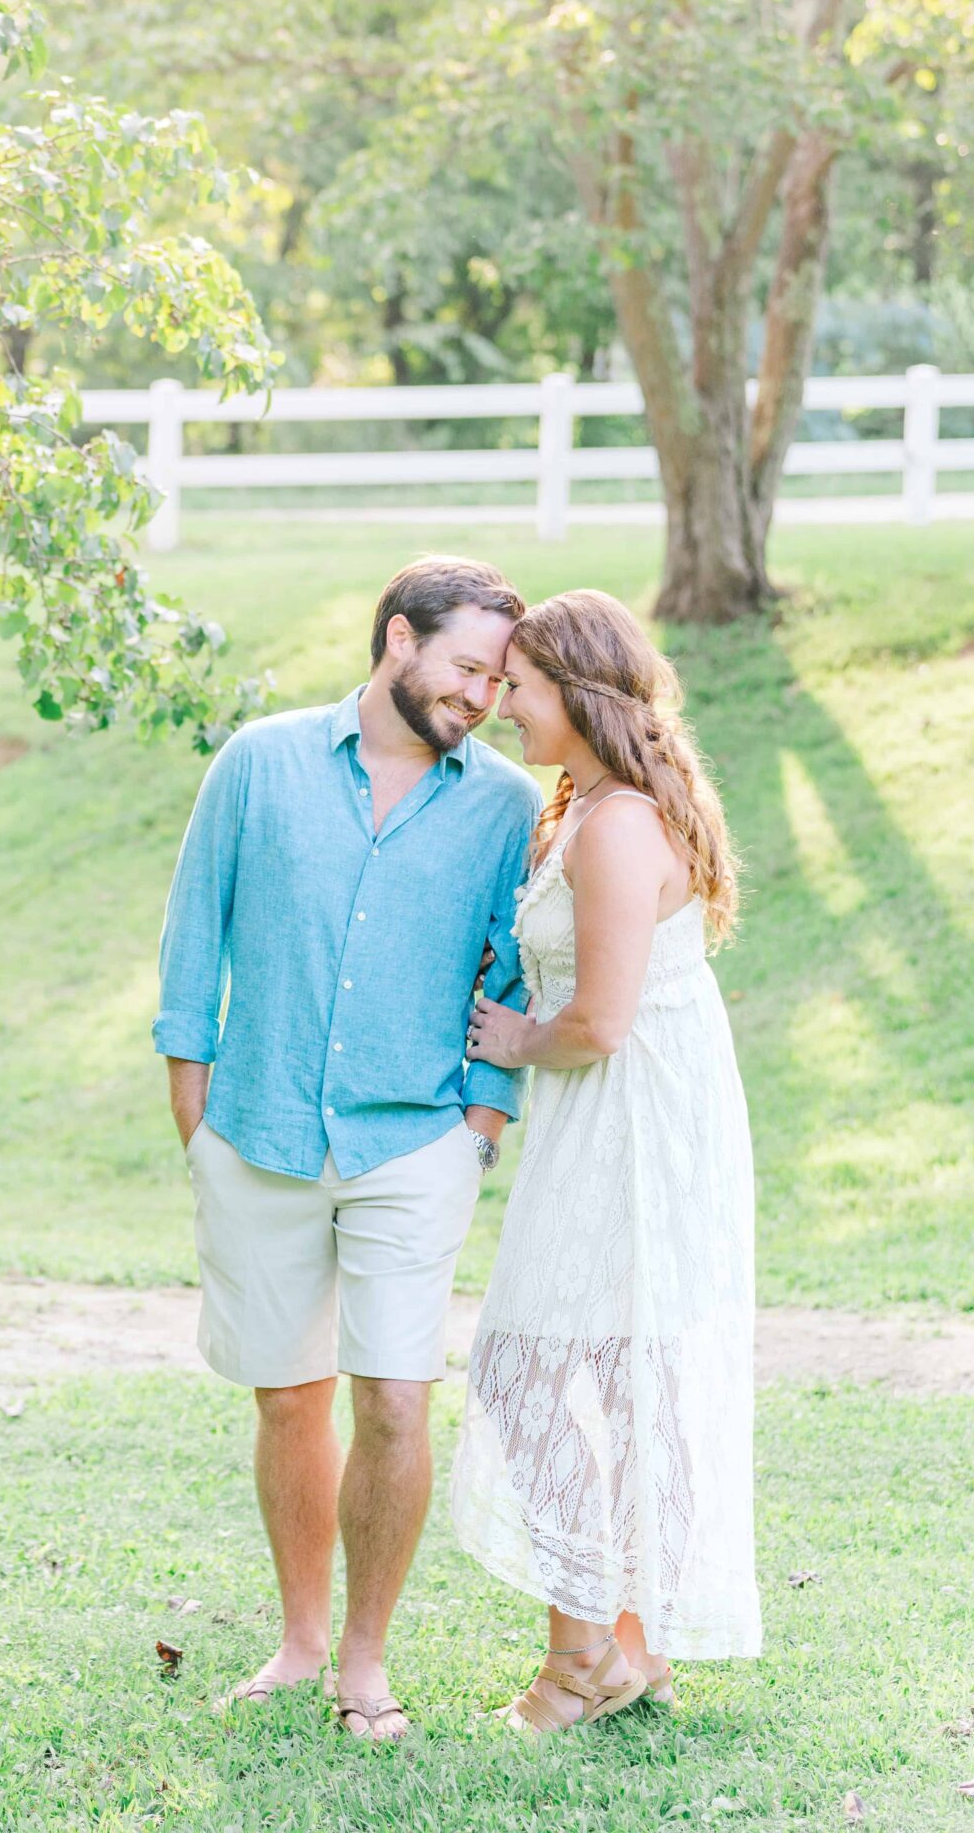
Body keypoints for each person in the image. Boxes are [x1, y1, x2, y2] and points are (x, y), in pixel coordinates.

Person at [154, 554, 541, 1740]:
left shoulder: (508, 806)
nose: (480, 697)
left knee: (396, 1402)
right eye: (467, 667)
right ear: (396, 640)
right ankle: (300, 1641)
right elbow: (192, 934)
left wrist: (477, 1127)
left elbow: (513, 968)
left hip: (414, 1142)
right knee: (287, 1401)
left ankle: (364, 1664)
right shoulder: (260, 763)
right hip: (256, 1132)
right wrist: (197, 1115)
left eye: (496, 679)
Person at [452, 587, 760, 1731]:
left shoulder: (622, 820)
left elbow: (600, 1021)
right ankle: (633, 1651)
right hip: (610, 1116)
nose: (500, 709)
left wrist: (514, 1038)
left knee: (528, 1372)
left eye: (518, 687)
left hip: (634, 1121)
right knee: (618, 1381)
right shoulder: (583, 802)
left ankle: (589, 1654)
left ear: (575, 691)